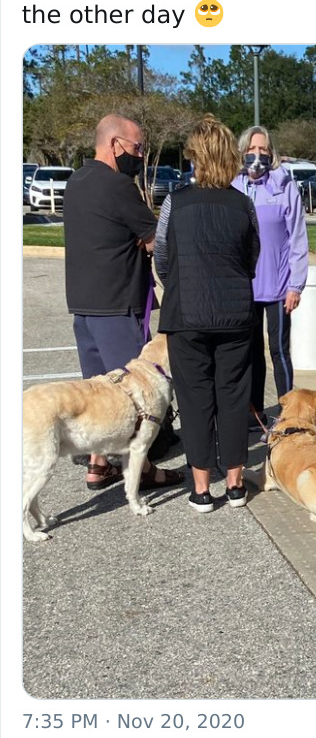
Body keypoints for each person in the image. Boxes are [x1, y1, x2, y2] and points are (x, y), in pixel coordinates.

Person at [63, 114, 182, 490]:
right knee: (132, 393)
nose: (141, 156)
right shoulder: (118, 187)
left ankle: (99, 464)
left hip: (84, 307)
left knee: (100, 389)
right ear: (115, 145)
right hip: (119, 305)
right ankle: (143, 469)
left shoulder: (75, 182)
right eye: (137, 148)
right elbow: (153, 239)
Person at [155, 115, 260, 513]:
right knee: (233, 396)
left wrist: (181, 283)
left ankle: (201, 488)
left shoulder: (175, 202)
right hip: (235, 313)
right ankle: (235, 483)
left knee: (195, 398)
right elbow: (252, 257)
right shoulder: (243, 204)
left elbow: (163, 258)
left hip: (187, 314)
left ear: (195, 157)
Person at [232, 126, 308, 435]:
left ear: (272, 153)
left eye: (264, 150)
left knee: (278, 350)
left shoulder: (284, 186)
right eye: (253, 149)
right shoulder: (233, 186)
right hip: (244, 287)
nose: (258, 155)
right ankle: (255, 411)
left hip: (278, 287)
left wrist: (296, 285)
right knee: (250, 352)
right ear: (242, 151)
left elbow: (297, 238)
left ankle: (288, 414)